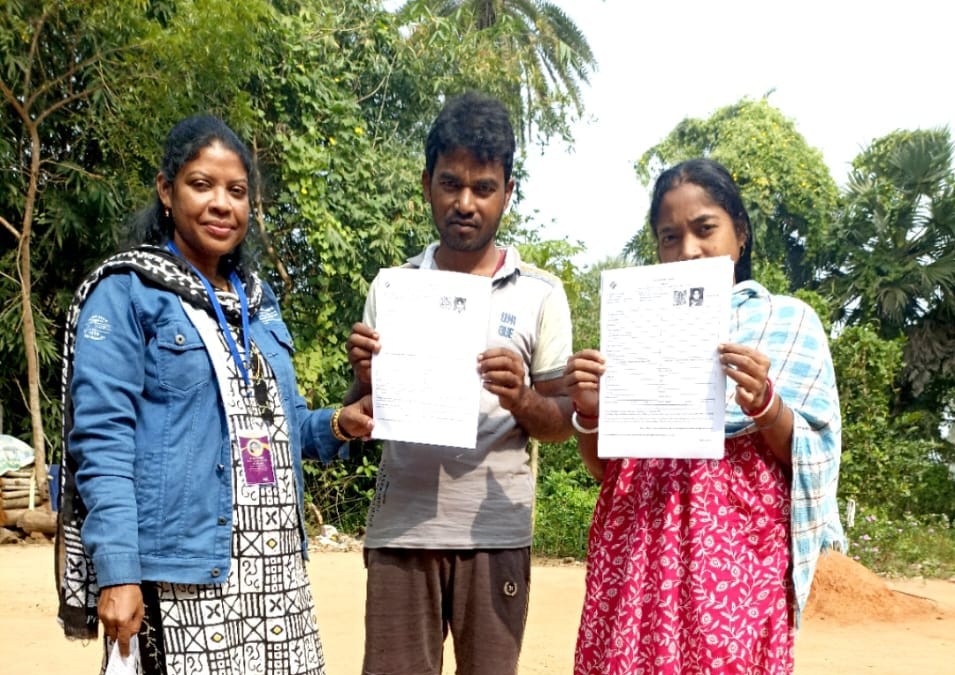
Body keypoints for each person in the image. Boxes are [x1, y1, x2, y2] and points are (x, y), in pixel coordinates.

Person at [55, 115, 374, 675]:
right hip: (182, 577)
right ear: (166, 190)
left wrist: (340, 424)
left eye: (237, 191)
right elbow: (102, 442)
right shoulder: (129, 290)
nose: (221, 204)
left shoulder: (257, 300)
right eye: (201, 185)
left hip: (275, 578)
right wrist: (119, 572)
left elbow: (280, 426)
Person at [564, 158, 844, 674]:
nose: (687, 249)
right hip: (637, 549)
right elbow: (609, 471)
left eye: (705, 229)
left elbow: (812, 453)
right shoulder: (636, 329)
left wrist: (765, 403)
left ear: (741, 233)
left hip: (735, 557)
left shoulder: (788, 322)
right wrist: (589, 411)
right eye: (670, 237)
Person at [345, 91, 574, 675]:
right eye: (451, 184)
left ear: (508, 192)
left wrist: (520, 396)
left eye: (484, 188)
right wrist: (364, 379)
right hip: (402, 531)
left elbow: (562, 424)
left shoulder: (540, 293)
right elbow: (360, 415)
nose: (465, 203)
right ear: (427, 184)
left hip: (495, 536)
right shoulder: (392, 288)